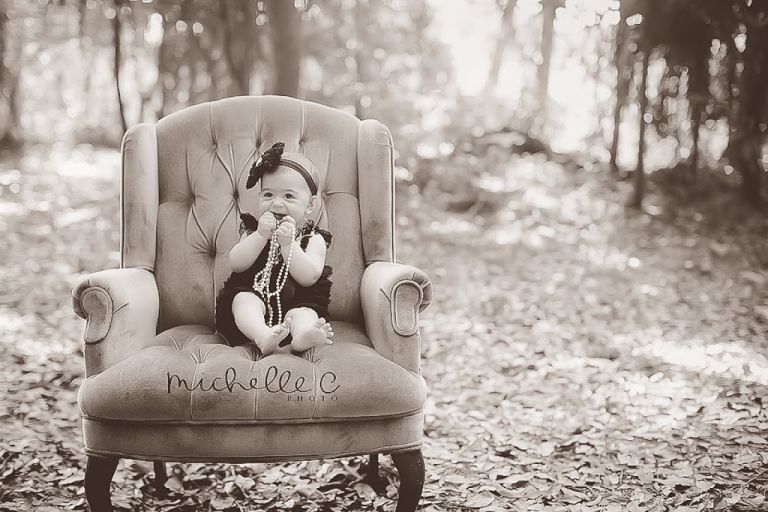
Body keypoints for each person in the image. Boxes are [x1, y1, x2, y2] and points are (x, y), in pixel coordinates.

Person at [215, 142, 334, 356]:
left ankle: (302, 336)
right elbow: (236, 263)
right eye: (268, 195)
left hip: (297, 302)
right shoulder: (254, 231)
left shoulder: (313, 239)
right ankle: (262, 335)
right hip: (255, 300)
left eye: (288, 196)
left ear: (310, 205)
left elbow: (309, 277)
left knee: (305, 313)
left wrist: (289, 245)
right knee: (243, 300)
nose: (276, 203)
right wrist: (261, 236)